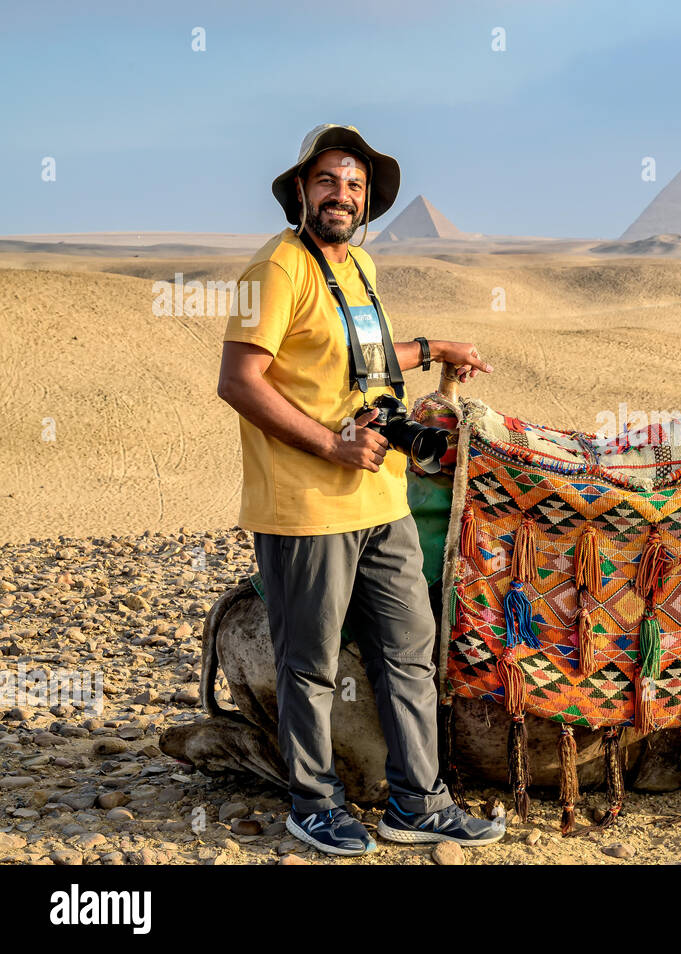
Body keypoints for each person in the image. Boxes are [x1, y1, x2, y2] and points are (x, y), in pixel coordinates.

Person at [218, 123, 501, 855]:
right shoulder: (275, 271)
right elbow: (239, 381)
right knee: (309, 666)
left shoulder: (361, 268)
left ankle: (419, 803)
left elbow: (364, 360)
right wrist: (330, 443)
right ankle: (312, 803)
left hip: (383, 500)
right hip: (307, 505)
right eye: (327, 181)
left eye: (354, 185)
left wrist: (436, 348)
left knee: (411, 648)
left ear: (367, 200)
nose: (340, 195)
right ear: (301, 192)